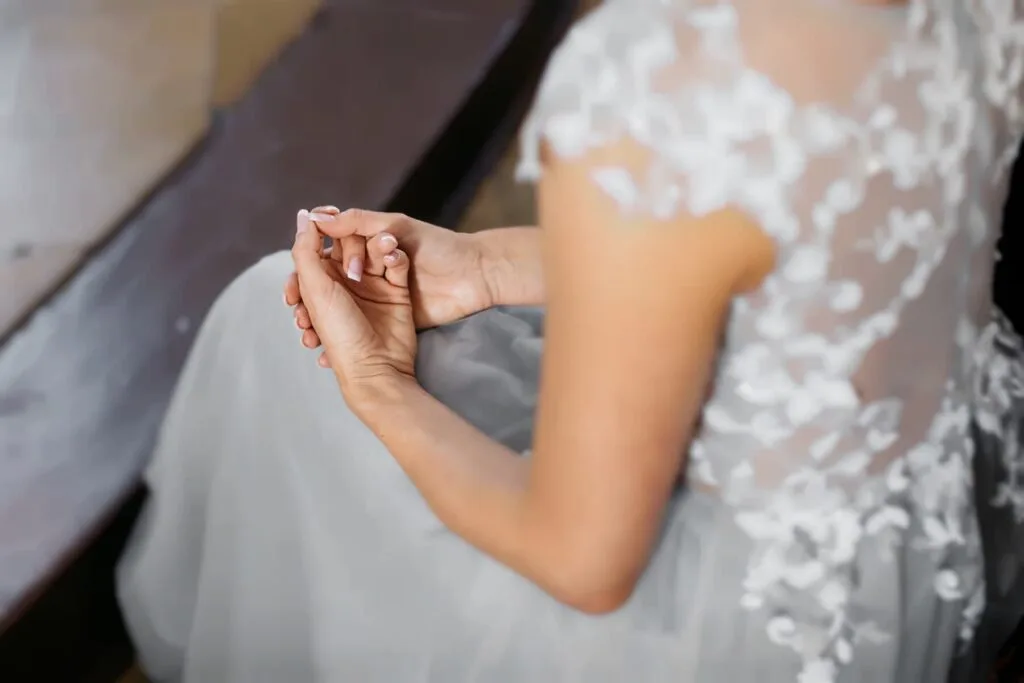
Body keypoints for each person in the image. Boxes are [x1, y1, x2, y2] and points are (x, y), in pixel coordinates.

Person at [117, 1, 1024, 681]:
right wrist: (488, 266)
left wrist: (377, 382)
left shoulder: (661, 85)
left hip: (730, 634)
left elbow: (582, 563)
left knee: (275, 335)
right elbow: (828, 253)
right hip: (915, 564)